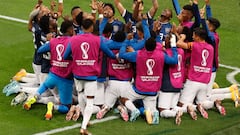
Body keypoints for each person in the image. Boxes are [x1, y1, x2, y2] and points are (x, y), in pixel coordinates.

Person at [118, 20, 178, 124]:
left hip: (139, 89)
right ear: (155, 46)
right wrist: (173, 48)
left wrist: (125, 41)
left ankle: (134, 110)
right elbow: (174, 61)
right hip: (153, 90)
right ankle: (153, 113)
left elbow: (122, 55)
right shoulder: (161, 55)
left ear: (144, 45)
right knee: (150, 109)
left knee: (123, 98)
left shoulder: (138, 54)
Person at [63, 18, 116, 135]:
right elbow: (110, 54)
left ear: (81, 27)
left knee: (81, 96)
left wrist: (77, 59)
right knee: (90, 102)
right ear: (92, 28)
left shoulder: (73, 39)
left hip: (77, 73)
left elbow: (65, 56)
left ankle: (85, 121)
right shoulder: (98, 40)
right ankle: (83, 128)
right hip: (91, 75)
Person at [23, 19, 74, 120]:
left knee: (45, 85)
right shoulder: (73, 41)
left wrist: (48, 42)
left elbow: (40, 50)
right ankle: (52, 107)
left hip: (53, 75)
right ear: (71, 30)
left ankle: (35, 97)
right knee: (67, 107)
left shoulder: (54, 41)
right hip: (65, 79)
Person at [177, 27, 225, 120]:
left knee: (182, 104)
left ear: (198, 37)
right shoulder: (211, 48)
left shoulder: (194, 45)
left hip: (193, 81)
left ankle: (194, 108)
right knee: (202, 102)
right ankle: (213, 104)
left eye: (194, 35)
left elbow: (179, 44)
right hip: (205, 81)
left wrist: (182, 37)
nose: (192, 36)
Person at [157, 34, 185, 125]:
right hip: (178, 84)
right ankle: (188, 108)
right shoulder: (181, 51)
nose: (164, 41)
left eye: (166, 39)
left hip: (168, 84)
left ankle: (175, 113)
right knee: (173, 106)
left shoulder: (165, 53)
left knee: (162, 110)